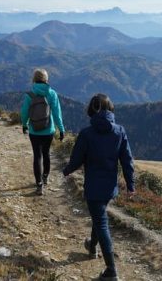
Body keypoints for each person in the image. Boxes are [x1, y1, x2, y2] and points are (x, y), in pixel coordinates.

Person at [63, 93, 134, 281]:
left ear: (91, 109)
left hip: (93, 187)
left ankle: (111, 271)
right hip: (110, 187)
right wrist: (130, 184)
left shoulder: (87, 134)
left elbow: (76, 159)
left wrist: (67, 170)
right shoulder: (120, 131)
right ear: (110, 108)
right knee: (99, 215)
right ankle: (92, 247)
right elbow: (127, 160)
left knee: (101, 222)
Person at [21, 68, 66, 195]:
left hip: (34, 131)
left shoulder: (30, 94)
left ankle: (39, 184)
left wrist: (24, 124)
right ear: (46, 79)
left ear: (34, 79)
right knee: (46, 154)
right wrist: (61, 129)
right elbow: (57, 114)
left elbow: (24, 112)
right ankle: (45, 177)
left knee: (37, 156)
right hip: (49, 131)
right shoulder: (51, 94)